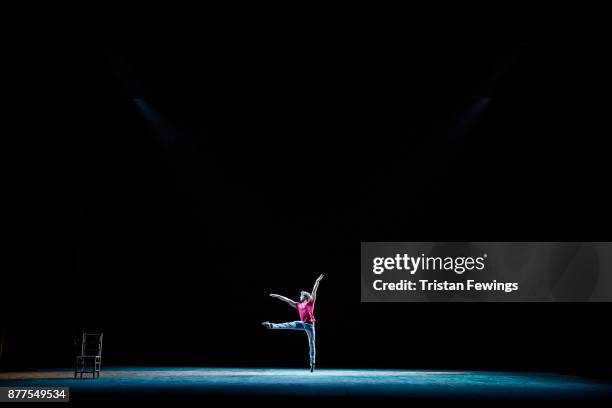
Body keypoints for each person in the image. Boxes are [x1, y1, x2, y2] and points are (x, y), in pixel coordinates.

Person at [262, 274, 324, 373]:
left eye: (301, 295)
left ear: (305, 296)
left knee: (311, 343)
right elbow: (287, 300)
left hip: (309, 325)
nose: (299, 297)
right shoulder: (298, 305)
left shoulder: (310, 302)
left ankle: (312, 363)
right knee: (288, 324)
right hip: (301, 323)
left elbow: (314, 291)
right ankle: (271, 325)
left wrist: (317, 281)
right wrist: (277, 296)